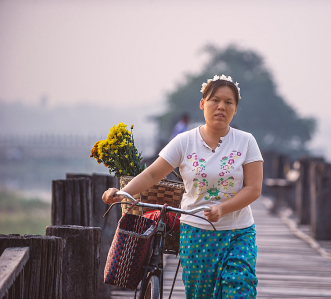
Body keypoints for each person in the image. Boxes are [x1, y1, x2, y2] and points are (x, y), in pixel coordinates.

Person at [102, 74, 263, 299]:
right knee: (200, 295)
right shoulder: (184, 141)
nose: (221, 107)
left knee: (241, 287)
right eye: (215, 100)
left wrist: (222, 209)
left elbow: (254, 189)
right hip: (196, 233)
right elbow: (152, 174)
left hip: (239, 232)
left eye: (228, 102)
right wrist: (123, 192)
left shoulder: (246, 142)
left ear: (235, 109)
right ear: (202, 104)